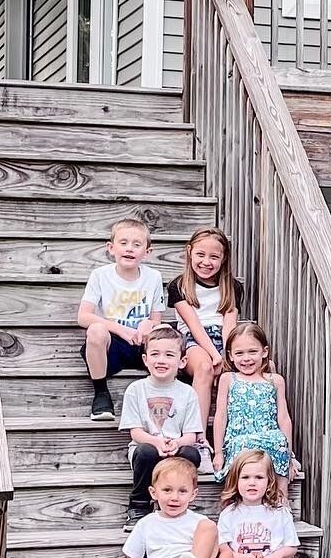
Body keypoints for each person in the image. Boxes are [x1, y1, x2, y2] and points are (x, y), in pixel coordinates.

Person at [167, 227, 244, 463]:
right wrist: (214, 355)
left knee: (256, 370)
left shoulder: (232, 286)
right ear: (189, 252)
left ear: (224, 259)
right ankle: (199, 437)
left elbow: (230, 323)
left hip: (225, 340)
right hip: (193, 340)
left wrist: (228, 354)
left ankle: (243, 437)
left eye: (214, 257)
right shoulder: (178, 286)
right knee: (204, 368)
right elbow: (193, 325)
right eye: (200, 254)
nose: (206, 262)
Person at [79, 216, 165, 421]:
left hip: (141, 342)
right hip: (113, 345)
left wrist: (149, 324)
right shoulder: (100, 275)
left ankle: (162, 396)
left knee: (168, 336)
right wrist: (118, 329)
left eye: (137, 244)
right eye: (123, 243)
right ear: (111, 247)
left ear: (147, 252)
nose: (129, 249)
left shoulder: (153, 277)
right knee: (95, 330)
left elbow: (156, 319)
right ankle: (101, 393)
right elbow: (83, 316)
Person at [120, 325, 204, 528]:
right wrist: (155, 441)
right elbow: (136, 432)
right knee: (145, 452)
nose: (161, 360)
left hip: (174, 449)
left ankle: (180, 504)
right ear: (145, 359)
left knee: (192, 455)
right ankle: (139, 504)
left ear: (182, 361)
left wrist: (177, 443)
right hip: (147, 448)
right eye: (155, 354)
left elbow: (191, 435)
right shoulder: (135, 390)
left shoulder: (188, 393)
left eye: (169, 355)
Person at [212, 322, 300, 481]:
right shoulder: (228, 379)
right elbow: (220, 416)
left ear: (264, 352)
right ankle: (236, 502)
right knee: (243, 446)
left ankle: (282, 499)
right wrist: (218, 453)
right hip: (239, 442)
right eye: (239, 353)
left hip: (269, 441)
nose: (246, 358)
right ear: (230, 355)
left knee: (279, 441)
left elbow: (284, 418)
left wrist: (289, 455)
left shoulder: (275, 381)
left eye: (252, 352)